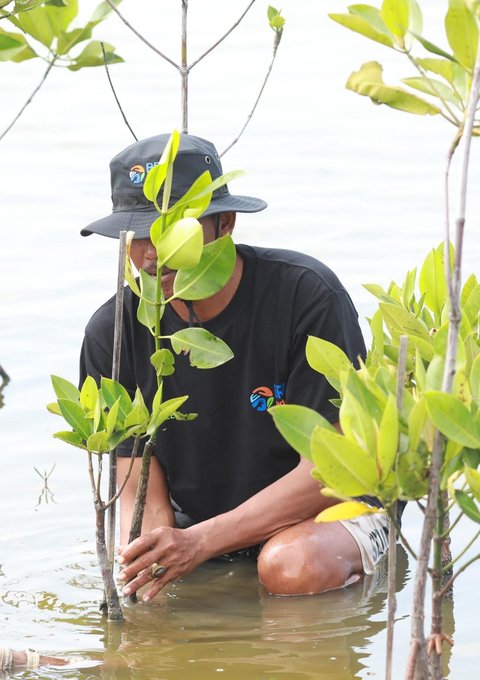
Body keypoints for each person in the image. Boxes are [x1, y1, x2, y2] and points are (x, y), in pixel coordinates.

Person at [80, 132, 389, 602]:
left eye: (168, 231)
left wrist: (200, 542)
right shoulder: (113, 333)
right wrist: (150, 573)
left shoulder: (306, 297)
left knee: (289, 566)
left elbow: (332, 472)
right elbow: (139, 492)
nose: (148, 253)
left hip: (329, 513)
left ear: (224, 224)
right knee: (146, 596)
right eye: (135, 235)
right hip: (202, 529)